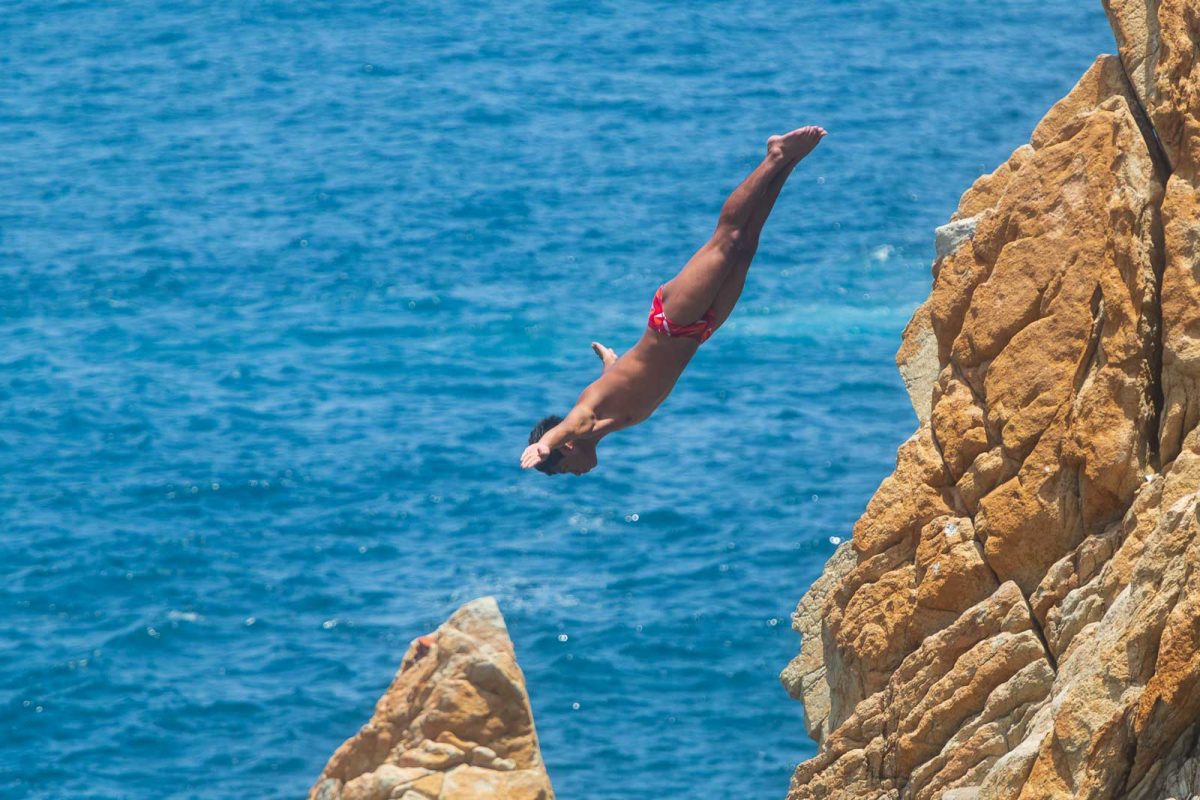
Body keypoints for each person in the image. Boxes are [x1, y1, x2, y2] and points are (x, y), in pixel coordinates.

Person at [521, 126, 826, 475]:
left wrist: (543, 447)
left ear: (567, 447)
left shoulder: (582, 423)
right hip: (697, 331)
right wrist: (610, 363)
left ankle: (774, 155)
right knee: (746, 247)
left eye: (565, 469)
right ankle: (788, 162)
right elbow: (621, 383)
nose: (574, 473)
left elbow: (572, 424)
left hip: (673, 321)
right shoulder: (602, 420)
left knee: (726, 241)